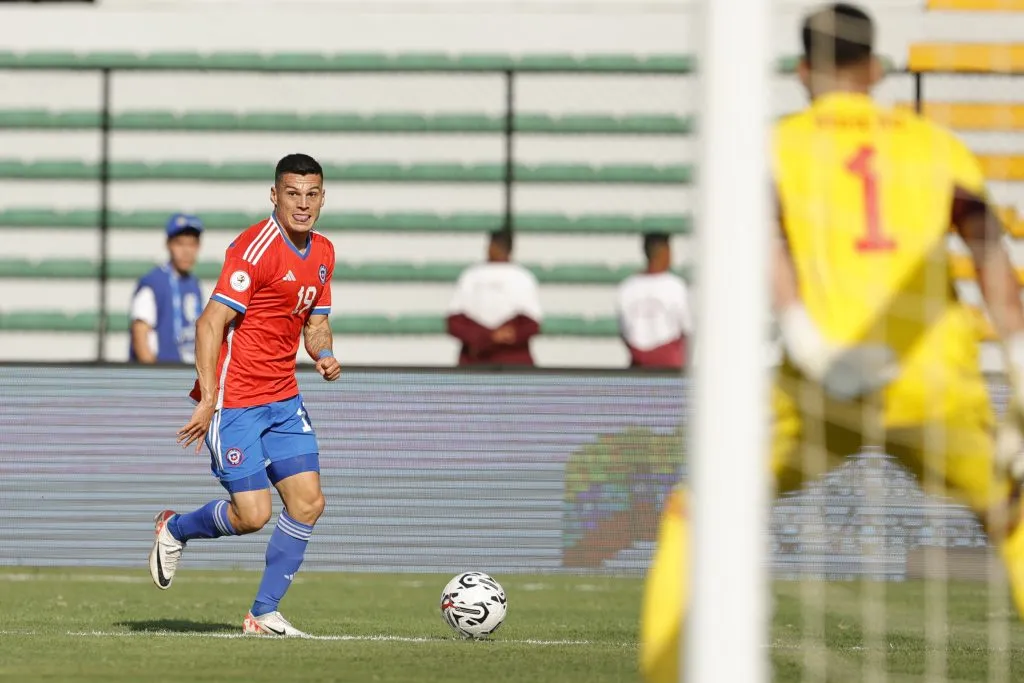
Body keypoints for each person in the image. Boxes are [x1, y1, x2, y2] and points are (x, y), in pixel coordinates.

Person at [640, 4, 1024, 681]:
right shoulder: (936, 146)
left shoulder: (777, 144)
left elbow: (761, 240)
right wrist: (1018, 367)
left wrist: (809, 342)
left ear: (802, 71)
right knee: (1011, 514)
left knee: (697, 510)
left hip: (822, 379)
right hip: (933, 375)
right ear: (875, 70)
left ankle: (667, 673)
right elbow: (990, 253)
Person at [149, 153, 342, 637]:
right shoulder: (254, 249)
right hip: (236, 400)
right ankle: (175, 528)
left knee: (308, 503)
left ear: (323, 198)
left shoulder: (323, 252)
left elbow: (315, 323)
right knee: (253, 515)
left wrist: (323, 353)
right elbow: (209, 323)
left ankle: (263, 613)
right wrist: (208, 398)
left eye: (311, 194)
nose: (302, 204)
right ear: (275, 195)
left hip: (284, 399)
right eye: (292, 194)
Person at [446, 229, 542, 366]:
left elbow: (532, 324)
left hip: (507, 363)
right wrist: (493, 336)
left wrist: (486, 337)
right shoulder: (472, 276)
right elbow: (454, 322)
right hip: (478, 361)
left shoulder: (522, 277)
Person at [128, 214, 205, 364]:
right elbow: (140, 334)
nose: (186, 251)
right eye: (180, 244)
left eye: (192, 244)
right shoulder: (154, 282)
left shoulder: (194, 284)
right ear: (168, 244)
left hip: (187, 372)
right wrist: (155, 375)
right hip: (163, 373)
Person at [616, 233, 692, 369]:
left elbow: (624, 332)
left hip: (639, 366)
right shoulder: (675, 286)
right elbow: (687, 328)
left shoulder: (627, 287)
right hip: (670, 368)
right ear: (665, 252)